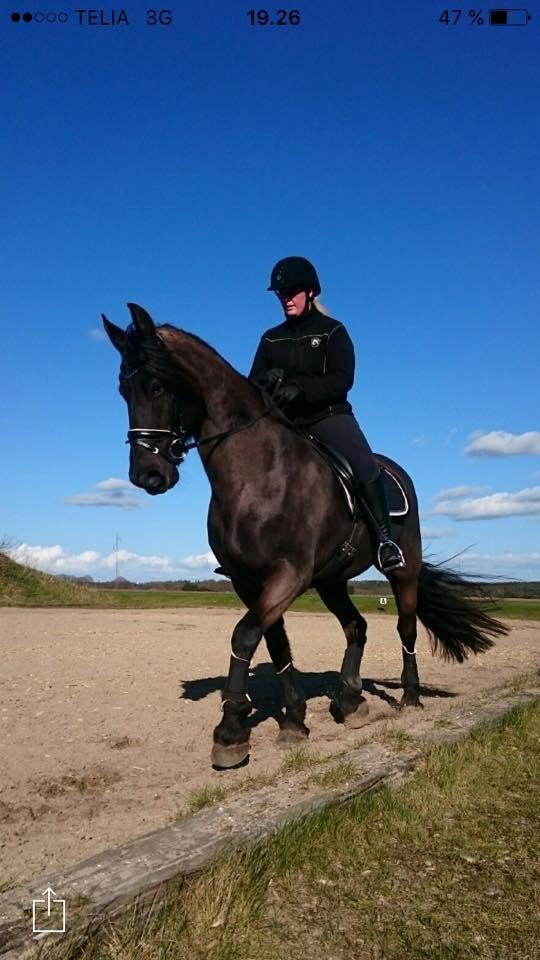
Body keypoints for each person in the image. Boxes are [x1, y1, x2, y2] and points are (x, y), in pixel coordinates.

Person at [248, 255, 405, 573]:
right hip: (286, 424)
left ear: (310, 292)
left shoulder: (333, 332)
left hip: (328, 417)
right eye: (281, 294)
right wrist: (268, 383)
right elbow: (253, 385)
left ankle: (387, 541)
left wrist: (301, 389)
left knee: (362, 461)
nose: (285, 299)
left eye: (292, 292)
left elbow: (342, 379)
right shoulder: (270, 338)